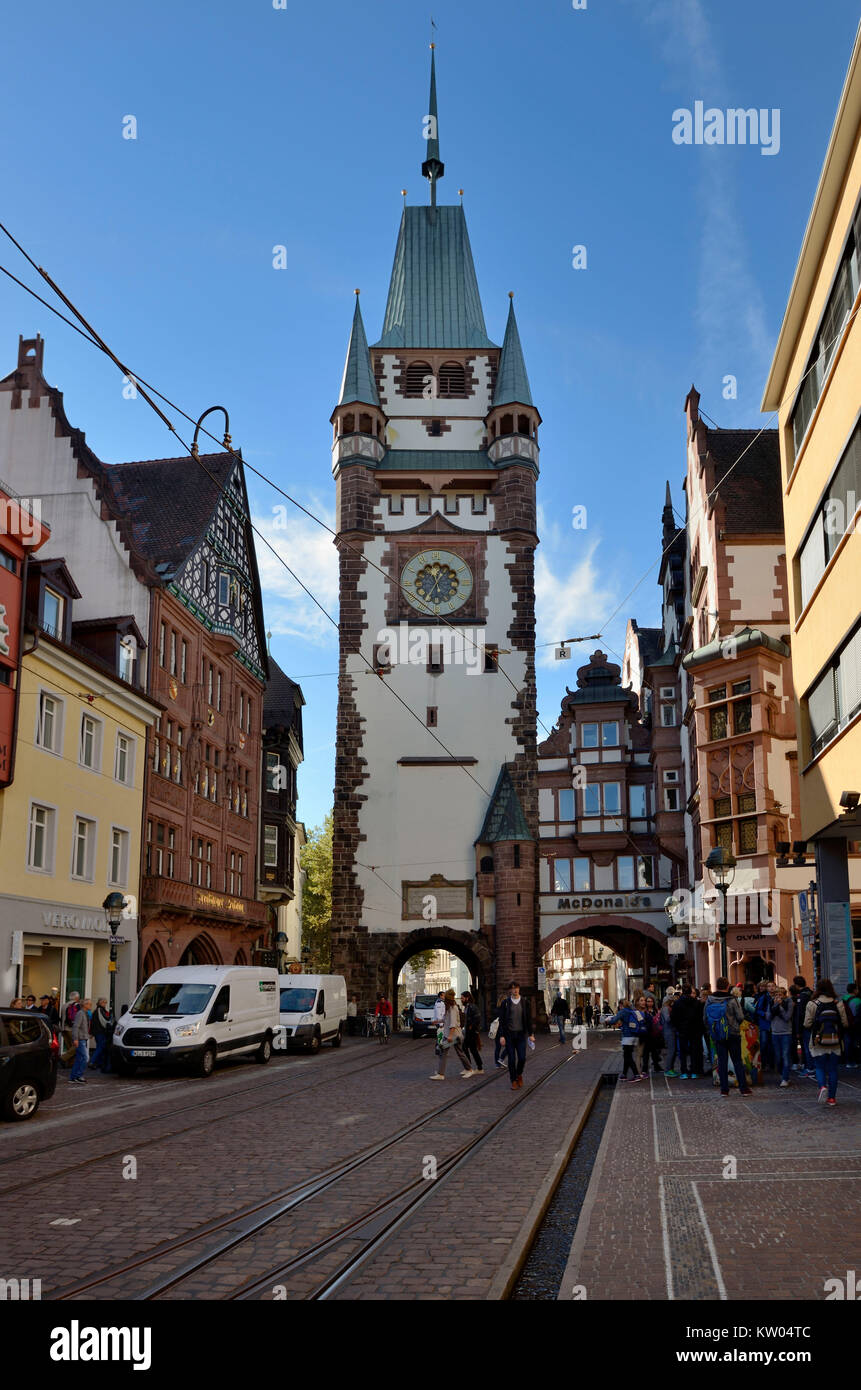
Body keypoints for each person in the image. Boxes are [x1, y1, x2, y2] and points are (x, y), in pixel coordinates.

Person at [704, 977, 752, 1097]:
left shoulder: (710, 999)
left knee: (722, 1061)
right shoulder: (732, 999)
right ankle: (743, 1089)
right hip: (733, 1033)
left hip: (717, 1034)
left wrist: (712, 1029)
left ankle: (724, 1090)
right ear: (727, 986)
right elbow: (740, 1017)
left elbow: (705, 1017)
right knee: (737, 1061)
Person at [804, 979, 848, 1106]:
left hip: (818, 1040)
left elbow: (807, 1023)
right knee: (833, 1069)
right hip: (835, 1040)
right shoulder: (838, 1003)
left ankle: (822, 1086)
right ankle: (832, 1099)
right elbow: (844, 1023)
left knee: (819, 1067)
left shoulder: (812, 1003)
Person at [497, 981, 534, 1090]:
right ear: (510, 990)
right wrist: (502, 1036)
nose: (515, 990)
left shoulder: (524, 1002)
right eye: (512, 988)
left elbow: (528, 1019)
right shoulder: (506, 1003)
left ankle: (519, 1074)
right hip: (509, 1035)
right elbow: (502, 1020)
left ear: (519, 989)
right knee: (512, 1060)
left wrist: (531, 1034)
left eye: (516, 987)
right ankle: (513, 1080)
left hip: (521, 1035)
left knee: (522, 1058)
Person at [429, 989, 468, 1080]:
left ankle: (441, 1074)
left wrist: (450, 1036)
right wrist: (437, 1021)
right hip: (450, 1034)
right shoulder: (448, 1007)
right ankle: (441, 1074)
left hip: (453, 1035)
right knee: (456, 1052)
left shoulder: (453, 1008)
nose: (443, 1000)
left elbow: (453, 1024)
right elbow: (446, 1020)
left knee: (451, 1052)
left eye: (445, 998)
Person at [606, 997, 646, 1081]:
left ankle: (636, 1074)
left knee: (628, 1057)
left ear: (621, 1005)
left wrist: (607, 1020)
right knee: (626, 1055)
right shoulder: (632, 1011)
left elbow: (614, 1021)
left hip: (627, 1037)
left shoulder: (623, 1011)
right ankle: (624, 1074)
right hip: (634, 1035)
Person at [671, 984, 701, 1078]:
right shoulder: (696, 1002)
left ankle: (684, 1072)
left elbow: (673, 1017)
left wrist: (678, 1027)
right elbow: (700, 1016)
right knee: (694, 1051)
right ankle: (694, 1071)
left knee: (683, 1052)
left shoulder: (677, 1003)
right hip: (694, 1030)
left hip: (682, 1030)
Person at [768, 986, 794, 1087]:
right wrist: (774, 1006)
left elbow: (787, 1017)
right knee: (778, 1057)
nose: (778, 997)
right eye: (776, 995)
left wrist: (780, 1007)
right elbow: (768, 1016)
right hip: (775, 1032)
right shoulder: (771, 1003)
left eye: (780, 995)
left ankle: (785, 1078)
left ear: (784, 995)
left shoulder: (789, 1003)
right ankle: (783, 1074)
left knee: (785, 1056)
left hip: (786, 1033)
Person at [793, 975, 815, 1077]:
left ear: (796, 985)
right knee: (812, 1047)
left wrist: (798, 1030)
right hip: (814, 1024)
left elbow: (800, 1014)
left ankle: (809, 1068)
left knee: (806, 1047)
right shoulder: (811, 993)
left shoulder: (802, 996)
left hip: (805, 1026)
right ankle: (813, 1067)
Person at [68, 999, 93, 1084]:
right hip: (80, 1039)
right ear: (84, 1005)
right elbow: (76, 1027)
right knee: (85, 1057)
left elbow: (83, 1027)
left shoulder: (85, 1013)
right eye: (89, 1004)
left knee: (79, 1058)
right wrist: (75, 1039)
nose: (91, 1005)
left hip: (83, 1038)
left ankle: (73, 1077)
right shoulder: (80, 1013)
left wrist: (88, 1035)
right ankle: (79, 1075)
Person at [460, 991, 483, 1075]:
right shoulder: (467, 1007)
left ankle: (469, 1067)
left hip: (472, 1032)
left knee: (465, 1047)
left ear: (467, 998)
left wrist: (471, 1027)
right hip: (468, 1031)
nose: (461, 1000)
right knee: (472, 1049)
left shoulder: (472, 1007)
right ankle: (478, 1067)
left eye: (462, 998)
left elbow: (477, 1018)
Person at [754, 982, 775, 1072]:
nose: (771, 988)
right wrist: (764, 1014)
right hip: (764, 1024)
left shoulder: (777, 996)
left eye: (773, 986)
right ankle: (763, 1063)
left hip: (774, 1025)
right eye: (769, 986)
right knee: (763, 1044)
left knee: (772, 1045)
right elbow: (757, 1010)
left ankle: (772, 1064)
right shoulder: (763, 998)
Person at [90, 998, 114, 1073]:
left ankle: (99, 1063)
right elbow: (103, 1021)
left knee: (99, 1047)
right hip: (100, 1032)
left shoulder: (99, 1010)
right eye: (104, 1002)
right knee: (100, 1047)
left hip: (98, 1031)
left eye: (106, 1002)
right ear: (100, 1003)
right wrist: (110, 1021)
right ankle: (92, 1062)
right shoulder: (99, 1010)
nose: (105, 1004)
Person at [641, 995, 663, 1074]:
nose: (649, 1003)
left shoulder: (656, 1011)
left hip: (655, 1033)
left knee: (654, 1051)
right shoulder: (644, 1011)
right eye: (648, 1001)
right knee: (646, 1052)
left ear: (653, 1002)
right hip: (647, 1034)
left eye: (651, 1001)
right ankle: (644, 1068)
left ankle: (656, 1066)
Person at [840, 982, 860, 1067]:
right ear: (855, 990)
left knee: (847, 1043)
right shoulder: (858, 1000)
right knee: (855, 1043)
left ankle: (848, 1061)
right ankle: (855, 1061)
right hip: (855, 1025)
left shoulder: (842, 999)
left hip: (845, 1024)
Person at [661, 988, 680, 1075]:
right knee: (671, 1050)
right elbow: (667, 1019)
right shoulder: (665, 1008)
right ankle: (668, 1070)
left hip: (671, 1030)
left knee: (673, 1050)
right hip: (668, 1031)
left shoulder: (668, 1008)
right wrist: (674, 1015)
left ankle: (671, 1069)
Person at [492, 995, 508, 1069]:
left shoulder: (495, 1010)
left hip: (496, 1031)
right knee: (510, 1046)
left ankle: (497, 1064)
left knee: (497, 1047)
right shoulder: (504, 1010)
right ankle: (501, 1058)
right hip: (503, 1030)